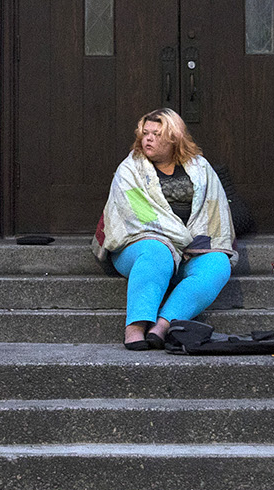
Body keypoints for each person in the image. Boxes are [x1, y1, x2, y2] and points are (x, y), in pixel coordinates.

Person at [95, 108, 235, 350]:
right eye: (145, 133)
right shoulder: (129, 170)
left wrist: (190, 243)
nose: (147, 138)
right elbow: (138, 218)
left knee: (218, 265)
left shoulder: (200, 168)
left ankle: (163, 324)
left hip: (193, 247)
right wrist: (175, 239)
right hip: (138, 245)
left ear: (174, 138)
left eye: (156, 134)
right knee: (157, 251)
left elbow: (214, 211)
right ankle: (136, 326)